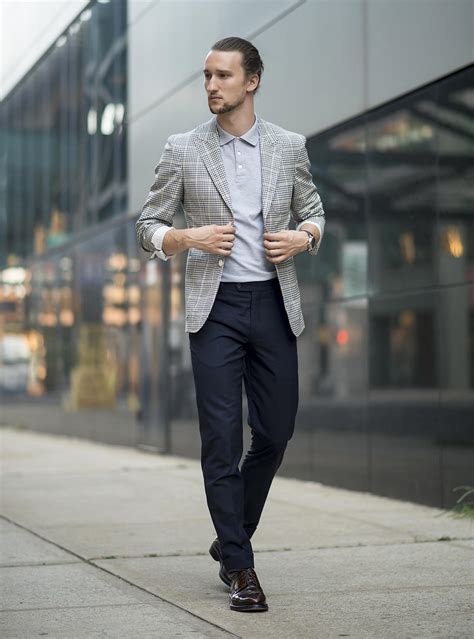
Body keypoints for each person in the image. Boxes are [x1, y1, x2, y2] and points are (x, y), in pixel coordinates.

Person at [136, 36, 325, 613]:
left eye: (223, 76)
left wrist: (305, 236)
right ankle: (241, 569)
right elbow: (148, 223)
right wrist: (185, 237)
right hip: (213, 309)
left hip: (272, 303)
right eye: (207, 76)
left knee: (274, 433)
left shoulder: (289, 146)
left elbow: (314, 210)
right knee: (220, 440)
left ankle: (229, 534)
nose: (212, 85)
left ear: (252, 81)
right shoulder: (183, 148)